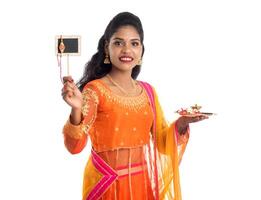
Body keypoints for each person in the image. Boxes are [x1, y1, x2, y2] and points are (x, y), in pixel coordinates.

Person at [61, 12, 209, 200]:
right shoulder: (95, 90)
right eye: (118, 42)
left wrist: (181, 123)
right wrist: (76, 108)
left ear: (141, 50)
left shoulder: (148, 91)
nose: (126, 50)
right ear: (107, 48)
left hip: (142, 187)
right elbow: (74, 147)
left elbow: (163, 143)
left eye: (134, 43)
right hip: (107, 187)